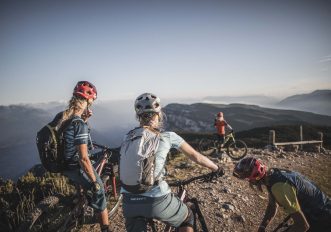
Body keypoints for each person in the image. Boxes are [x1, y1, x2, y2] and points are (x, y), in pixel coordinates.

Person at [120, 93, 223, 232]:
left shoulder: (128, 137)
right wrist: (216, 168)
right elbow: (196, 156)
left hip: (128, 201)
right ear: (158, 114)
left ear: (139, 117)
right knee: (187, 217)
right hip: (156, 199)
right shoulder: (168, 136)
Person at [60, 81, 111, 232]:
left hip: (63, 164)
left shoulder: (65, 117)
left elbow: (69, 139)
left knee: (89, 177)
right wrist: (95, 182)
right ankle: (106, 229)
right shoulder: (79, 124)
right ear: (88, 101)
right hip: (75, 166)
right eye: (92, 101)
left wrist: (84, 120)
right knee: (99, 190)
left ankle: (79, 204)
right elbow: (83, 158)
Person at [233, 157, 331, 232]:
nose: (247, 181)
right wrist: (262, 227)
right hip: (320, 210)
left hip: (321, 218)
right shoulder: (273, 174)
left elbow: (303, 225)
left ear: (255, 176)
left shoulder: (279, 187)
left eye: (246, 177)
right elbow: (272, 206)